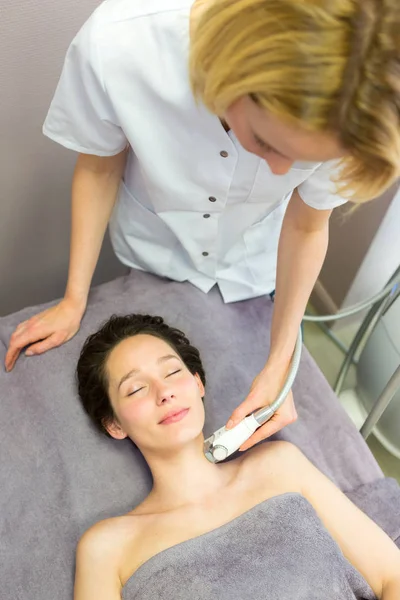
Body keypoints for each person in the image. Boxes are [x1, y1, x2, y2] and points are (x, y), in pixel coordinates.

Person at [6, 0, 400, 451]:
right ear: (233, 77)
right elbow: (98, 168)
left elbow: (308, 225)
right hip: (154, 241)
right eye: (267, 143)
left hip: (258, 259)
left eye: (303, 161)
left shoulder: (356, 103)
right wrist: (74, 299)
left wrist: (279, 359)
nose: (281, 174)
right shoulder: (121, 44)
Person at [73, 314, 400, 599]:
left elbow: (392, 577)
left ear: (198, 384)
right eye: (135, 389)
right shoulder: (107, 547)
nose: (165, 392)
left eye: (172, 372)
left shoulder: (279, 466)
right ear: (115, 424)